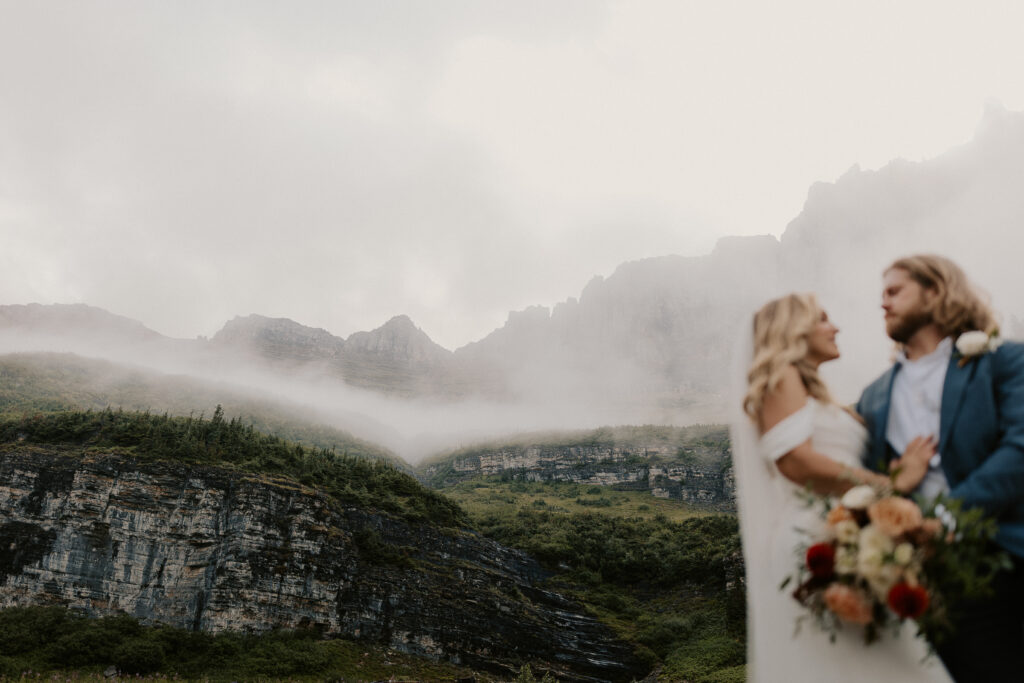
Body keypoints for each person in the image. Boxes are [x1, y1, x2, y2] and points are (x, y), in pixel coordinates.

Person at [730, 292, 951, 682]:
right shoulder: (781, 373)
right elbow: (796, 462)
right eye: (822, 319)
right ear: (793, 329)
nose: (835, 327)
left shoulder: (812, 394)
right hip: (813, 543)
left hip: (841, 535)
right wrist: (891, 484)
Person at [856, 255, 1024, 682]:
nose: (883, 303)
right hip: (931, 582)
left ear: (934, 291)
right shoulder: (873, 398)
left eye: (895, 291)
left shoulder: (1003, 360)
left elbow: (1019, 448)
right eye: (882, 294)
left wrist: (948, 517)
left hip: (1009, 552)